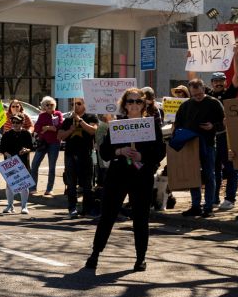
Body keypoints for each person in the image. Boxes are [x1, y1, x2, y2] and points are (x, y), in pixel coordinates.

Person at [86, 88, 166, 271]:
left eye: (138, 102)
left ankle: (140, 258)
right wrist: (119, 151)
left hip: (141, 176)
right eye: (130, 101)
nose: (134, 105)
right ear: (125, 105)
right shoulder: (117, 124)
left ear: (144, 104)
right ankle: (95, 254)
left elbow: (160, 151)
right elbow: (104, 152)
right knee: (108, 215)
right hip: (118, 175)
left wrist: (142, 156)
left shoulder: (151, 125)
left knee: (141, 218)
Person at [175, 78, 225, 217]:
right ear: (190, 92)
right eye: (194, 95)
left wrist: (212, 127)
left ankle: (208, 206)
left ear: (204, 90)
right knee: (193, 175)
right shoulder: (185, 106)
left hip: (208, 144)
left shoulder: (214, 103)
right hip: (190, 145)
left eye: (199, 94)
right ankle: (196, 205)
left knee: (209, 175)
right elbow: (178, 123)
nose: (197, 97)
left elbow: (224, 123)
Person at [58, 97, 99, 218]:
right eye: (73, 104)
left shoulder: (91, 117)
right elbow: (60, 136)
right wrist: (71, 130)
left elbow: (93, 131)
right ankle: (72, 208)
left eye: (79, 103)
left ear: (85, 105)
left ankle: (87, 208)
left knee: (87, 184)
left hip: (85, 154)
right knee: (71, 184)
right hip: (70, 154)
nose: (75, 106)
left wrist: (80, 121)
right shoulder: (67, 120)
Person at [208, 70, 237, 210]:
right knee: (215, 169)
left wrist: (236, 57)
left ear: (225, 82)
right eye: (215, 81)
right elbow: (192, 83)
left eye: (221, 80)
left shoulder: (228, 94)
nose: (218, 83)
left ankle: (230, 199)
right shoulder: (208, 96)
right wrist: (191, 60)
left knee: (231, 168)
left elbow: (237, 78)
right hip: (212, 137)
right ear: (211, 83)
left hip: (227, 137)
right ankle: (214, 198)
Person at [29, 96, 62, 196]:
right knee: (34, 165)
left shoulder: (58, 114)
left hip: (54, 143)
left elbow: (60, 126)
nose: (49, 106)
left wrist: (48, 128)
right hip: (43, 143)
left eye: (51, 104)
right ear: (44, 106)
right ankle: (33, 188)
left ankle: (49, 189)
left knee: (52, 167)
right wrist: (47, 128)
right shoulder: (42, 115)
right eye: (47, 105)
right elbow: (37, 128)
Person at [0, 114, 33, 214]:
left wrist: (26, 150)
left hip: (22, 162)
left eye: (17, 122)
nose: (15, 124)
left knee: (24, 184)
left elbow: (31, 146)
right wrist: (7, 154)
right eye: (13, 122)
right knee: (10, 184)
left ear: (22, 123)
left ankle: (24, 206)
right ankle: (10, 205)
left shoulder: (26, 133)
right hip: (10, 162)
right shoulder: (7, 134)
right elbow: (2, 148)